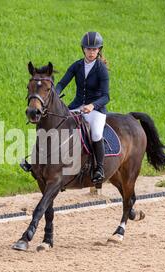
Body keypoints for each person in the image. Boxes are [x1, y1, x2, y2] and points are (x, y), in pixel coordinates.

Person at [55, 31, 110, 183]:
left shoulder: (101, 69)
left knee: (96, 134)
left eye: (94, 49)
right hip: (76, 107)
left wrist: (92, 106)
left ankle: (99, 168)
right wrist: (54, 94)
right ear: (83, 49)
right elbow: (61, 84)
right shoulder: (77, 65)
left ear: (99, 50)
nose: (91, 52)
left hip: (96, 110)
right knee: (58, 126)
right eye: (88, 49)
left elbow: (106, 97)